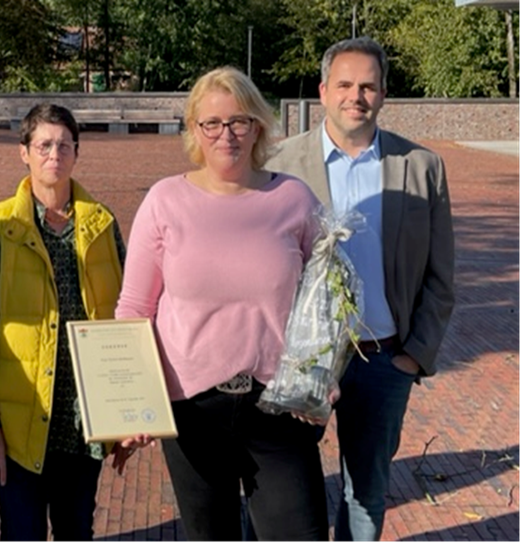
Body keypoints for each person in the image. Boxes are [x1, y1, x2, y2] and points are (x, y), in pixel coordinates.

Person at [115, 67, 328, 542]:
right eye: (212, 122)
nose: (226, 134)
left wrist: (324, 380)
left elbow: (328, 302)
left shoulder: (294, 199)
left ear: (258, 126)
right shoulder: (165, 201)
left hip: (279, 407)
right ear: (194, 130)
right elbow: (134, 308)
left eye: (238, 121)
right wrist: (130, 408)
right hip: (192, 410)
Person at [266, 37, 455, 542]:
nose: (357, 95)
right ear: (324, 91)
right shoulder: (280, 164)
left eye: (368, 85)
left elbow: (442, 276)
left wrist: (414, 356)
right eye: (345, 84)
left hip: (384, 361)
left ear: (384, 93)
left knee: (366, 492)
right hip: (300, 360)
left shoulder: (421, 167)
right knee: (281, 488)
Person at [0, 104, 143, 542]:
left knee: (77, 531)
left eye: (64, 144)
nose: (54, 153)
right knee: (21, 534)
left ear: (77, 152)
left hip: (83, 426)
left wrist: (125, 417)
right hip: (21, 428)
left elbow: (122, 323)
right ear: (23, 152)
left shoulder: (101, 225)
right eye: (43, 144)